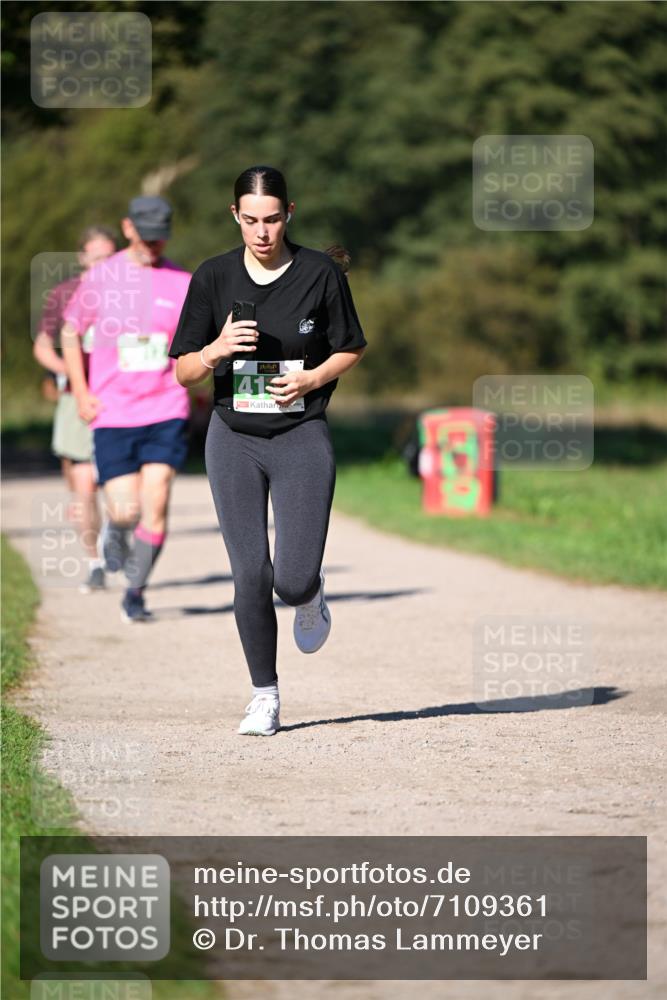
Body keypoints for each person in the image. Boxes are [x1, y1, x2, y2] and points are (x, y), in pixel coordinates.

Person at [169, 165, 367, 736]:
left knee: (292, 580)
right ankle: (265, 695)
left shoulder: (319, 273)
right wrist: (215, 350)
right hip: (233, 439)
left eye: (273, 219)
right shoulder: (213, 276)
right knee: (250, 573)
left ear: (289, 214)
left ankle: (311, 594)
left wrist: (310, 380)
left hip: (301, 434)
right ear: (235, 215)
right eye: (251, 220)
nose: (262, 232)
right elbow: (183, 372)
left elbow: (351, 347)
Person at [61, 196, 192, 622]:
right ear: (128, 228)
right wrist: (81, 392)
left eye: (160, 238)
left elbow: (197, 343)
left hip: (166, 406)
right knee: (126, 510)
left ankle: (135, 593)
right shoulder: (101, 277)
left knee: (157, 498)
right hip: (114, 411)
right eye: (146, 236)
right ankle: (115, 532)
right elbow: (69, 332)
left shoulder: (183, 282)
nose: (153, 245)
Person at [33, 226, 117, 592]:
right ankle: (95, 561)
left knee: (121, 487)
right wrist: (70, 370)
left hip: (120, 398)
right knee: (83, 487)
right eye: (96, 258)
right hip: (76, 400)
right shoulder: (64, 294)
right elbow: (42, 347)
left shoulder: (130, 295)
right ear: (82, 258)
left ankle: (117, 537)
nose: (103, 265)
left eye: (109, 258)